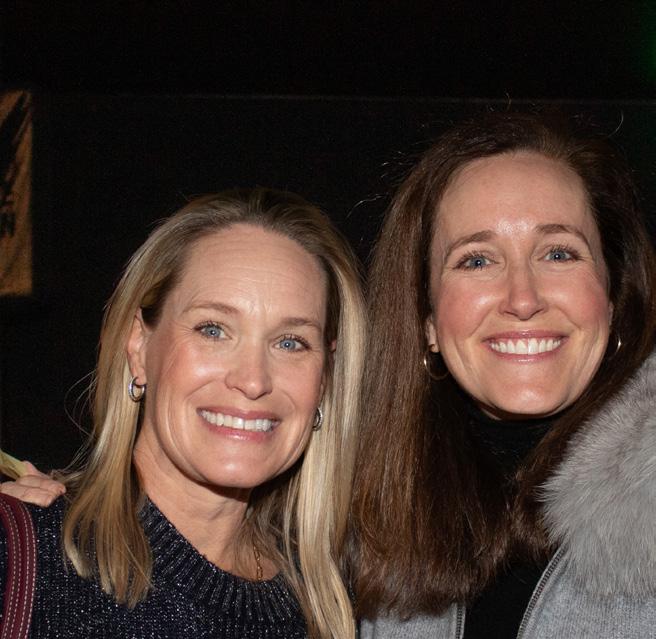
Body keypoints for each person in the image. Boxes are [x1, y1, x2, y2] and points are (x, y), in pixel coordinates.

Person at [0, 187, 366, 638]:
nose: (253, 380)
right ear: (139, 346)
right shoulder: (26, 560)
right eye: (213, 330)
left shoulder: (334, 606)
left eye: (290, 342)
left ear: (326, 377)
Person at [353, 112, 656, 638]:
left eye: (558, 253)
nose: (523, 298)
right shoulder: (360, 515)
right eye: (476, 261)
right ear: (426, 319)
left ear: (612, 299)